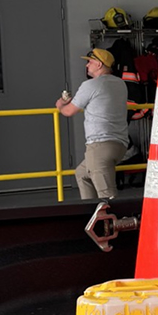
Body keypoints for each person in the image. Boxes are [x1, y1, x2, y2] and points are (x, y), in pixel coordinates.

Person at [56, 48, 129, 201]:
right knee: (82, 174)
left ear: (99, 64)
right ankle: (91, 214)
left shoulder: (90, 85)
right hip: (119, 145)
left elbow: (68, 111)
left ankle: (114, 222)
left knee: (108, 196)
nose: (87, 65)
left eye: (89, 62)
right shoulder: (120, 84)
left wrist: (60, 104)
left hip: (99, 147)